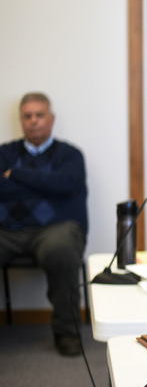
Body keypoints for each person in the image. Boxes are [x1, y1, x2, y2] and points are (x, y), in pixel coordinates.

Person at [0, 93, 88, 356]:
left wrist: (16, 175)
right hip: (7, 231)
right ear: (21, 120)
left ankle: (67, 334)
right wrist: (45, 184)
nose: (34, 121)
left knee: (61, 251)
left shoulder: (69, 154)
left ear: (51, 119)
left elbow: (66, 185)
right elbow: (54, 187)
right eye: (28, 116)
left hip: (55, 228)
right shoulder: (4, 153)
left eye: (39, 115)